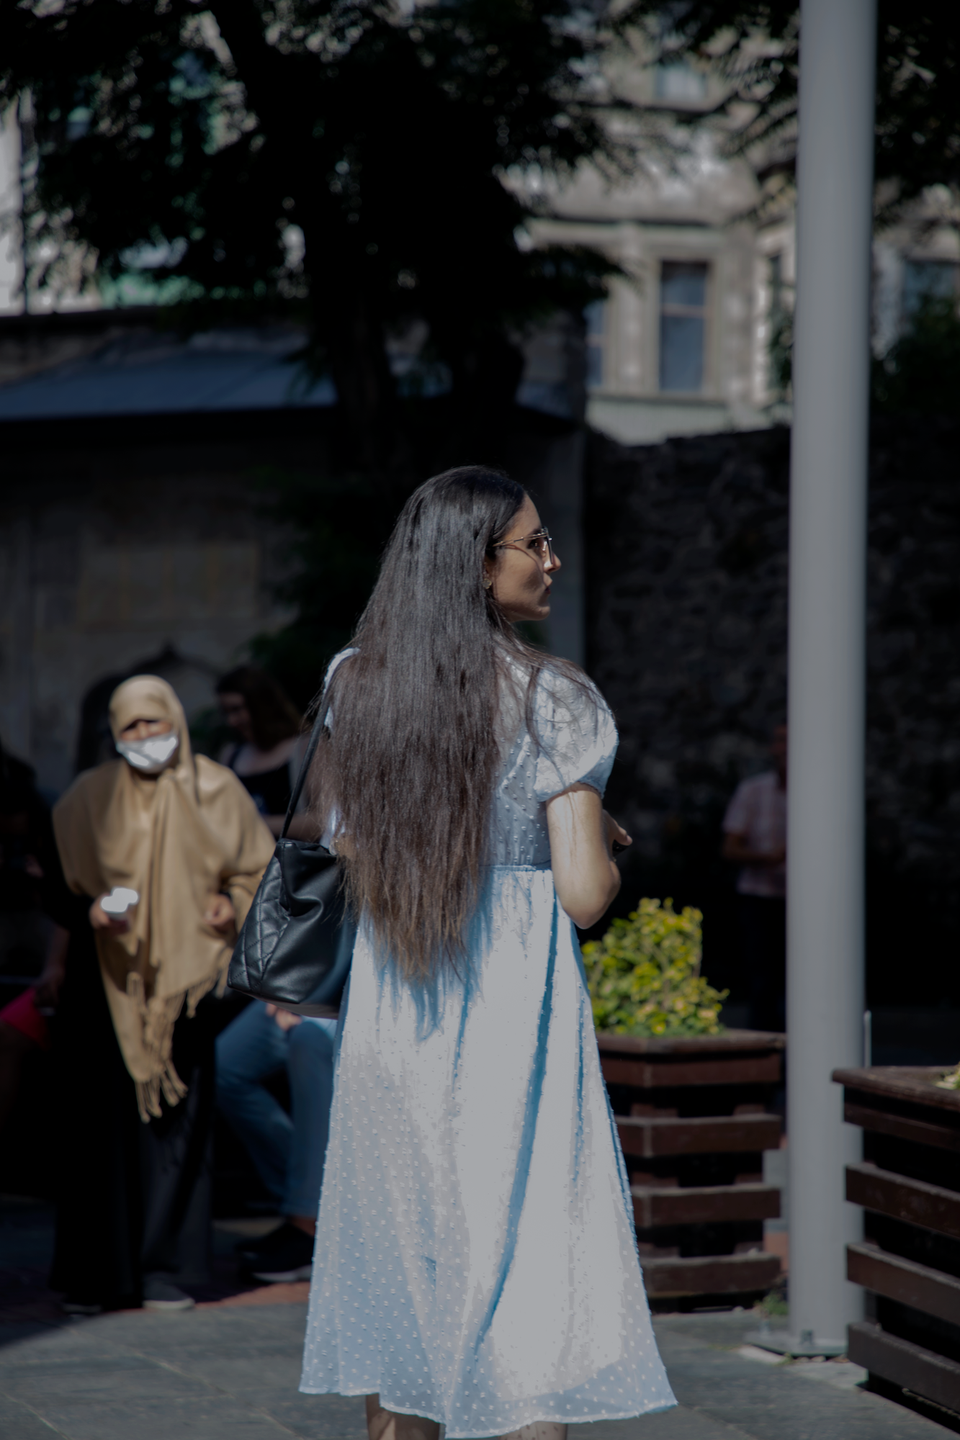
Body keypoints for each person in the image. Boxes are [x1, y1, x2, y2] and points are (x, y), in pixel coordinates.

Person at [299, 468, 676, 1439]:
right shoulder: (555, 696)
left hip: (398, 1005)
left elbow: (342, 841)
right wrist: (598, 844)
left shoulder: (355, 681)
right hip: (513, 1009)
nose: (552, 560)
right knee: (521, 1291)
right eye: (533, 544)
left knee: (404, 1276)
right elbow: (586, 896)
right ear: (476, 564)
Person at [48, 675, 274, 1314]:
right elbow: (56, 887)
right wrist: (90, 912)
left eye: (155, 722)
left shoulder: (215, 789)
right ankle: (97, 1278)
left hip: (190, 986)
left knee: (175, 1129)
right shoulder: (86, 799)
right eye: (132, 727)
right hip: (106, 984)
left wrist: (229, 904)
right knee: (101, 1136)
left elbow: (257, 869)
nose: (146, 737)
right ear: (114, 734)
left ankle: (161, 1270)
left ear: (176, 718)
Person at [721, 725, 788, 1032]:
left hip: (803, 901)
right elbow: (730, 848)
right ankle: (767, 1063)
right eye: (779, 740)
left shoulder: (821, 793)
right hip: (760, 898)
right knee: (763, 981)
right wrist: (767, 858)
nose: (783, 748)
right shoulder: (753, 790)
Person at [216, 666, 308, 837]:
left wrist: (253, 824)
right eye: (225, 712)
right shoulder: (230, 757)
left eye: (236, 709)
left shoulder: (305, 749)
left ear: (261, 704)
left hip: (301, 860)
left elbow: (323, 822)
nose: (231, 721)